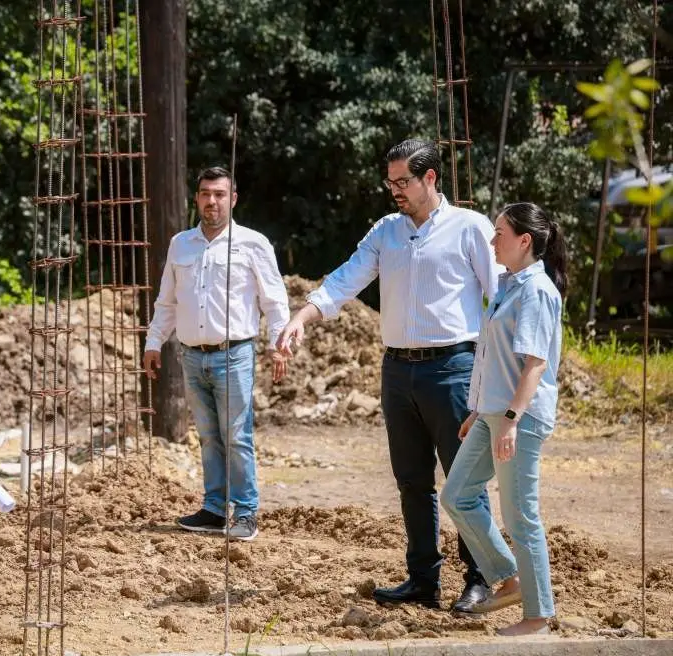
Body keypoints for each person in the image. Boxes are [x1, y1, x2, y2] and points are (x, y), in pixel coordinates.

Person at [277, 139, 503, 613]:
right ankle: (423, 578)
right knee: (411, 480)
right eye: (391, 182)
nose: (395, 191)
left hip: (454, 367)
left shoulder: (470, 229)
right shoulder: (387, 232)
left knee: (464, 479)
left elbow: (500, 296)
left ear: (430, 178)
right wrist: (303, 316)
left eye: (403, 182)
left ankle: (480, 577)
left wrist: (501, 370)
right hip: (397, 370)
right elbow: (346, 279)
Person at [144, 166, 290, 542]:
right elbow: (167, 301)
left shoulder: (253, 243)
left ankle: (245, 512)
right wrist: (153, 342)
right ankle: (213, 508)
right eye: (206, 193)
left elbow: (274, 301)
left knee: (237, 435)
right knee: (209, 436)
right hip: (192, 356)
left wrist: (279, 345)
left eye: (220, 194)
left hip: (234, 354)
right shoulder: (181, 244)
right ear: (197, 198)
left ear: (233, 198)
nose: (212, 201)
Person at [440, 202, 566, 635]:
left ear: (524, 241)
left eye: (499, 234)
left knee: (520, 517)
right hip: (493, 412)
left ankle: (538, 616)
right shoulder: (510, 286)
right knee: (456, 495)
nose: (492, 241)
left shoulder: (536, 291)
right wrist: (479, 410)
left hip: (520, 418)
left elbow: (534, 364)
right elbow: (494, 357)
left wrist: (510, 418)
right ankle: (509, 577)